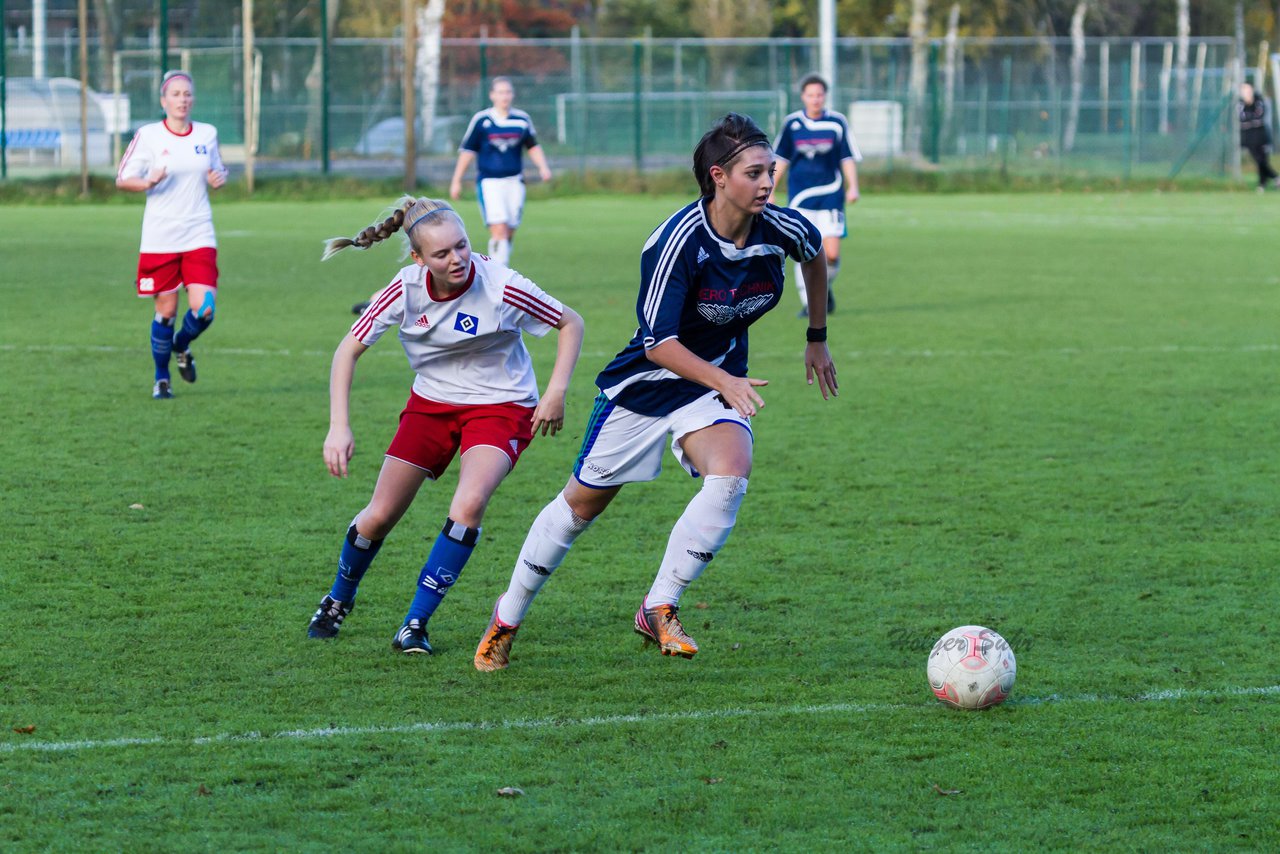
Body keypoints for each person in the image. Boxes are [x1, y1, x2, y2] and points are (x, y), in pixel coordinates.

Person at [472, 113, 838, 672]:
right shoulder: (675, 242)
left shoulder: (780, 228)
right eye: (755, 172)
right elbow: (658, 343)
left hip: (711, 382)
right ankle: (507, 615)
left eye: (771, 171)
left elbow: (814, 255)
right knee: (579, 508)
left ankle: (659, 605)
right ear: (719, 176)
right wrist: (726, 380)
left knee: (731, 472)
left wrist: (816, 337)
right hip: (645, 388)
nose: (768, 183)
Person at [308, 197, 583, 655]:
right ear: (419, 259)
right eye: (441, 254)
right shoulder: (405, 289)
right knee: (378, 516)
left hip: (503, 405)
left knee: (469, 502)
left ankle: (415, 622)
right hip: (432, 402)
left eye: (461, 246)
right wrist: (339, 426)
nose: (457, 259)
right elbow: (346, 352)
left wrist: (555, 391)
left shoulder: (500, 285)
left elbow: (570, 322)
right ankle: (339, 598)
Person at [116, 69, 227, 399]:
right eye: (176, 94)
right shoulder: (149, 135)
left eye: (187, 94)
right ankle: (161, 378)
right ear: (164, 100)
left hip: (198, 232)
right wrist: (149, 181)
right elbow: (123, 178)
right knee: (166, 311)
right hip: (160, 237)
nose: (183, 99)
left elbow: (218, 168)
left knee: (204, 307)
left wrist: (218, 177)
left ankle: (182, 344)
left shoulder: (207, 133)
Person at [769, 73, 861, 318]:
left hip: (831, 195)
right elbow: (781, 159)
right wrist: (770, 189)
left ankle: (825, 288)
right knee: (803, 251)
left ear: (825, 96)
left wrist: (853, 186)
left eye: (819, 94)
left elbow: (847, 157)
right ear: (803, 97)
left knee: (831, 254)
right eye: (810, 95)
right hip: (800, 197)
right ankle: (810, 302)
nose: (815, 99)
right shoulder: (792, 124)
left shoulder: (837, 123)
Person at [449, 76, 552, 268]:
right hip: (490, 183)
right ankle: (499, 275)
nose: (505, 96)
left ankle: (498, 269)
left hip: (515, 182)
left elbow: (533, 147)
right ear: (492, 95)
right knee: (499, 229)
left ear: (512, 95)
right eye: (501, 92)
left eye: (508, 92)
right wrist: (457, 180)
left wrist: (543, 167)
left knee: (509, 230)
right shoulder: (482, 121)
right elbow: (468, 152)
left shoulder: (521, 120)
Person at [1239, 82, 1278, 192]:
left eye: (1247, 89)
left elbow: (1258, 117)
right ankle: (1275, 178)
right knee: (1258, 160)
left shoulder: (1258, 101)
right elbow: (1242, 119)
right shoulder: (1240, 104)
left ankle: (1262, 184)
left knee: (1263, 160)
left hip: (1260, 135)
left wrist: (1249, 121)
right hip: (1248, 136)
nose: (1245, 92)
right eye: (1243, 90)